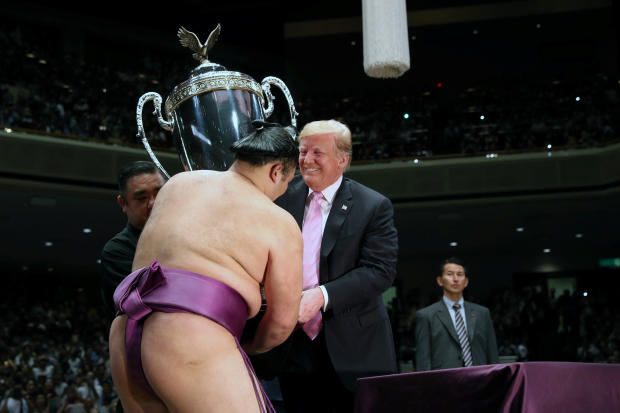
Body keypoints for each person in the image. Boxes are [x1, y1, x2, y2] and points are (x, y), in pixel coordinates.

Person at [108, 122, 303, 413]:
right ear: (276, 172)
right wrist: (250, 347)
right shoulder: (279, 221)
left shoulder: (178, 183)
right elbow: (281, 324)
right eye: (286, 183)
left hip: (125, 331)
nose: (283, 191)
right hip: (189, 338)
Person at [259, 119, 399, 413]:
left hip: (355, 349)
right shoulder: (280, 197)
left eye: (317, 153)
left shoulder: (373, 206)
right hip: (293, 346)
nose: (306, 160)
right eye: (302, 151)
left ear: (342, 159)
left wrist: (321, 296)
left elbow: (379, 271)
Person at [99, 161, 167, 321]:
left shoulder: (189, 232)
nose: (153, 203)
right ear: (123, 203)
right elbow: (146, 305)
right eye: (142, 198)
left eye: (160, 193)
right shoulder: (116, 251)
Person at [415, 257, 499, 371]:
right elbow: (423, 359)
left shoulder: (482, 313)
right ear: (440, 281)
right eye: (450, 274)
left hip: (480, 379)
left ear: (466, 282)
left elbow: (492, 353)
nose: (455, 279)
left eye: (460, 274)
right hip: (444, 381)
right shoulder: (426, 316)